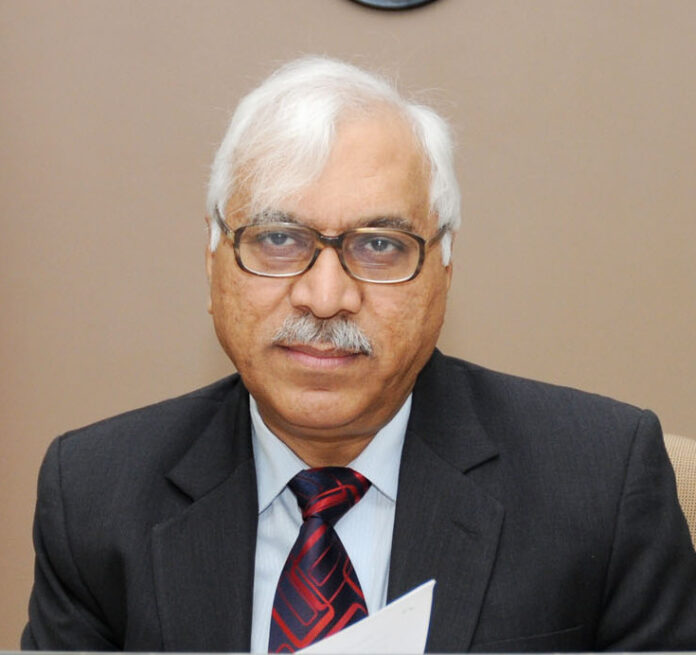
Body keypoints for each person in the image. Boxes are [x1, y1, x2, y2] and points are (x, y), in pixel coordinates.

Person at [22, 56, 696, 653]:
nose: (325, 297)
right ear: (213, 262)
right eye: (278, 237)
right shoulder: (93, 495)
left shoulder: (601, 482)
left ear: (443, 274)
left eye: (379, 245)